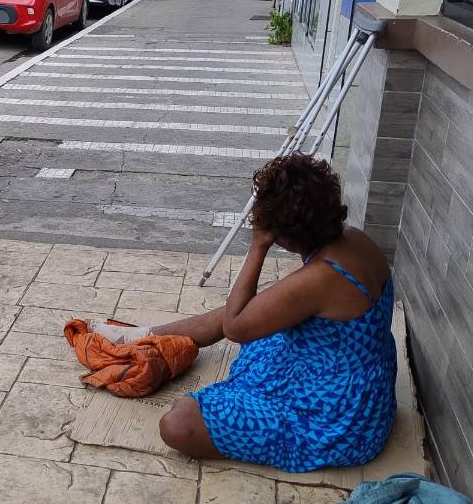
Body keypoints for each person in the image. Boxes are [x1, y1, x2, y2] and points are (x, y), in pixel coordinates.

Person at [93, 153, 397, 472]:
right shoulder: (355, 239)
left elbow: (235, 328)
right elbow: (240, 316)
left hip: (338, 415)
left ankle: (142, 339)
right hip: (358, 379)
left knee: (177, 425)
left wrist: (257, 246)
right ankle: (143, 336)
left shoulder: (321, 278)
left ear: (284, 236)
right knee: (246, 310)